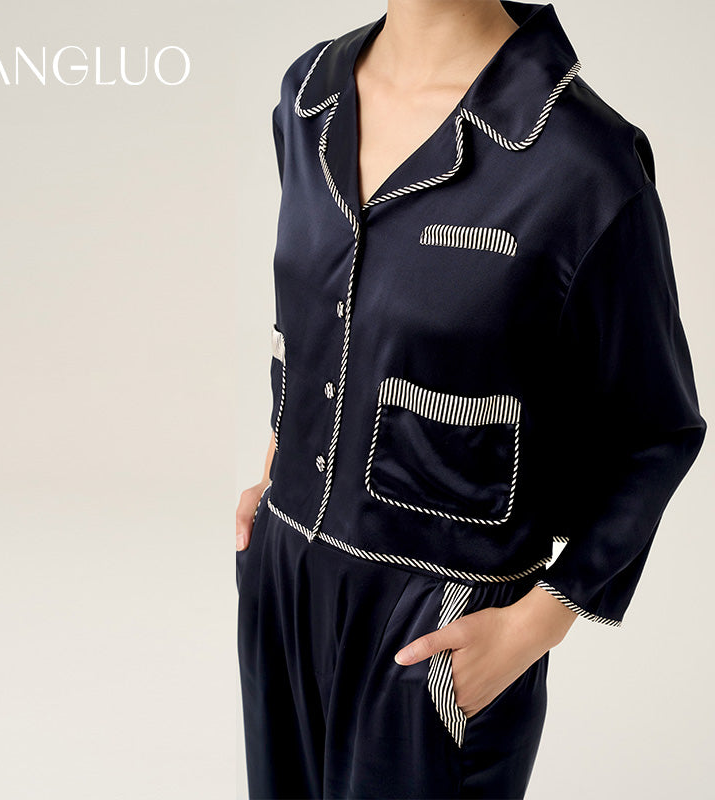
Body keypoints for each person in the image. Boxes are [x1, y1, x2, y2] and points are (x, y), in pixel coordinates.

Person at [235, 1, 707, 798]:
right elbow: (320, 318)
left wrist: (536, 623)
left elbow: (657, 432)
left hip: (434, 627)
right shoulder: (309, 95)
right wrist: (278, 466)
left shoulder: (582, 161)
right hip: (284, 578)